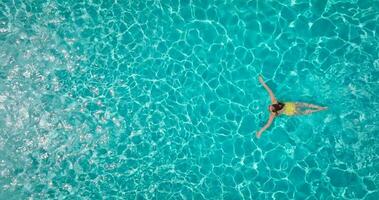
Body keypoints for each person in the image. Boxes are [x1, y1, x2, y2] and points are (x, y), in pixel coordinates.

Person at [256, 75, 327, 138]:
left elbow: (268, 125)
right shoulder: (275, 101)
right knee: (307, 105)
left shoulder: (273, 114)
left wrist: (260, 132)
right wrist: (262, 82)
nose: (269, 106)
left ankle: (320, 109)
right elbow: (269, 91)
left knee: (306, 112)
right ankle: (320, 107)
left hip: (293, 112)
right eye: (270, 107)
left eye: (270, 107)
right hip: (294, 105)